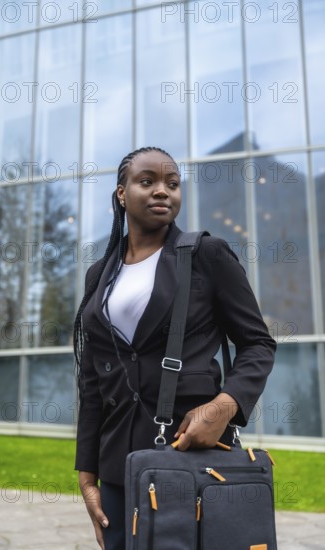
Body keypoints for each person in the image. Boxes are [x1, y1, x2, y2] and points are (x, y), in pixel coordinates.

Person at [73, 146, 276, 550]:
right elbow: (93, 381)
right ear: (121, 193)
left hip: (192, 457)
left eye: (172, 183)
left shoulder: (206, 254)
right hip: (117, 466)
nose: (162, 191)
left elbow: (258, 342)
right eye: (146, 181)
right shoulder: (100, 275)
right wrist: (87, 475)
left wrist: (223, 406)